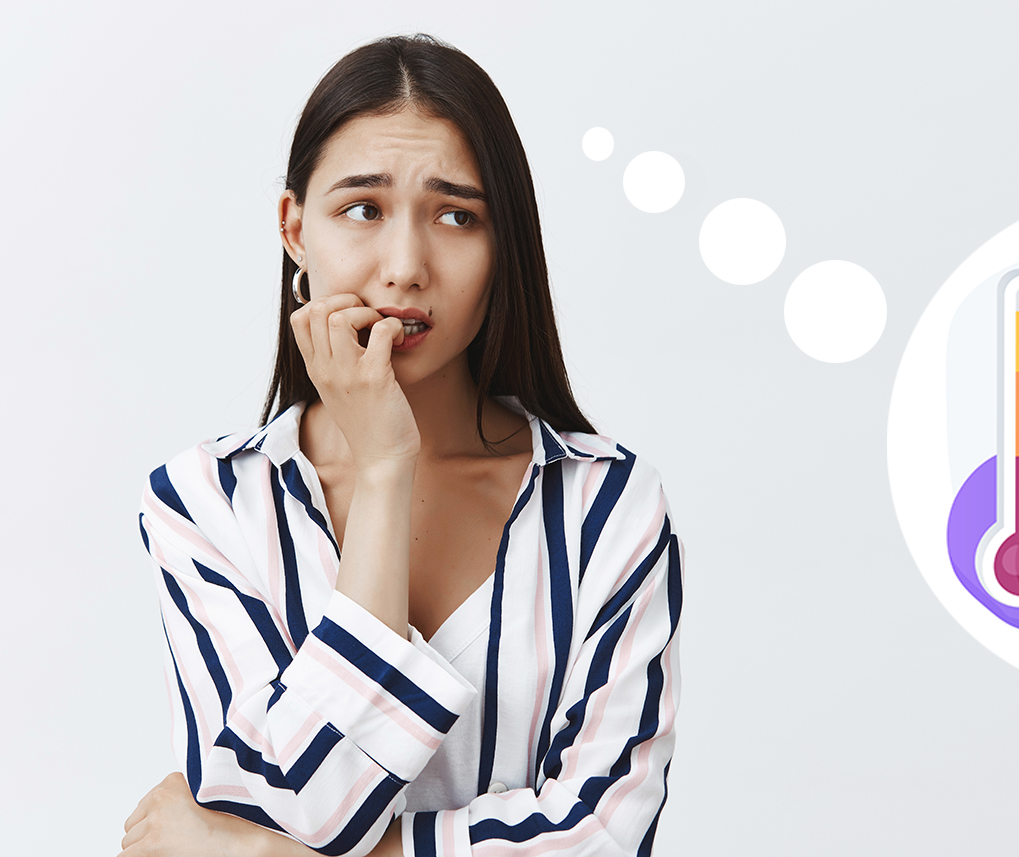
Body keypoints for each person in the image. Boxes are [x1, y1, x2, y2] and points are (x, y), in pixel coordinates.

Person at [122, 35, 682, 857]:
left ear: (504, 248)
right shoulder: (206, 502)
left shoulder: (607, 505)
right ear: (293, 228)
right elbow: (305, 804)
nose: (407, 266)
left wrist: (249, 852)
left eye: (458, 216)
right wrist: (386, 469)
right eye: (363, 208)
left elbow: (599, 837)